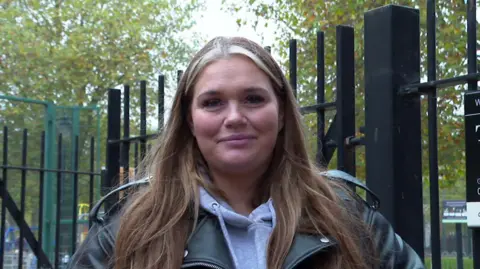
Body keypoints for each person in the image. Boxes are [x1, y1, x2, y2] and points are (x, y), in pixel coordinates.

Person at [67, 36, 424, 269]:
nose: (235, 118)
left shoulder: (350, 218)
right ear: (189, 120)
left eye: (253, 99)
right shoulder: (129, 230)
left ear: (281, 113)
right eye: (213, 102)